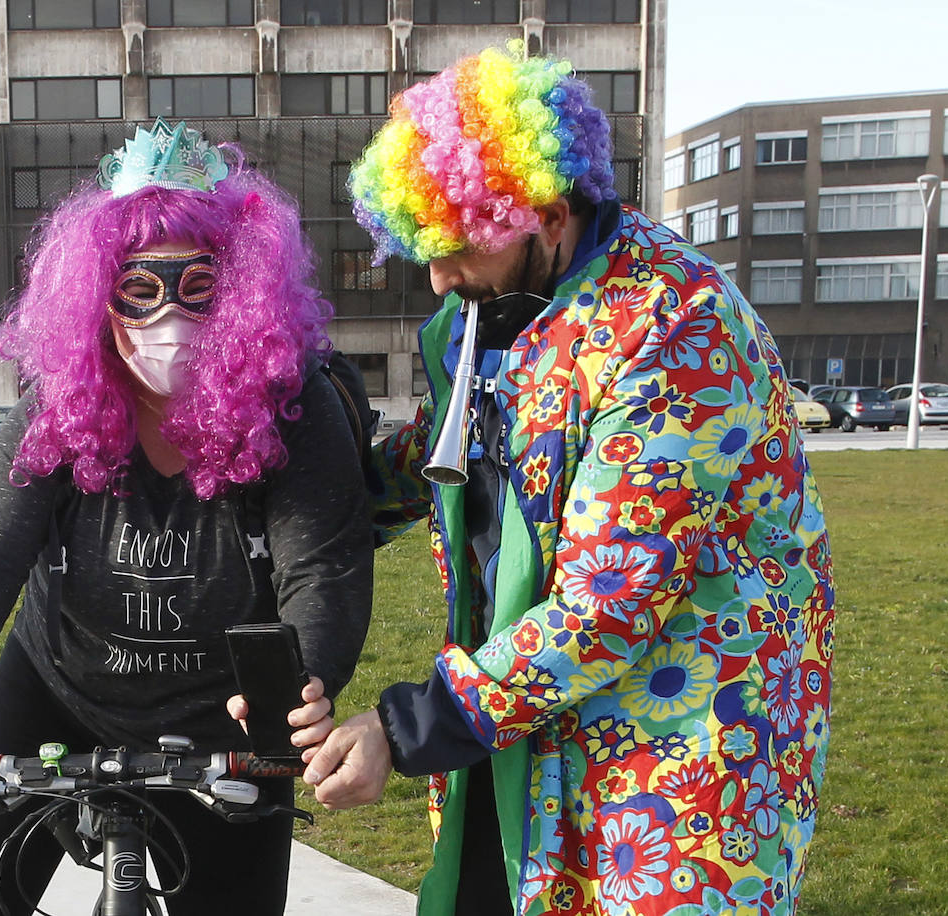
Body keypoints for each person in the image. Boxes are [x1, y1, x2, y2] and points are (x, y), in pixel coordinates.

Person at [303, 45, 835, 916]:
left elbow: (608, 601)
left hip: (684, 758)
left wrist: (404, 730)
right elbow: (461, 457)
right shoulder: (500, 312)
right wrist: (315, 493)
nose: (438, 278)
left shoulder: (676, 329)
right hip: (526, 728)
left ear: (544, 215)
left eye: (456, 247)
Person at [0, 118, 373, 916]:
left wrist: (307, 679)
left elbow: (323, 564)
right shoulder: (56, 408)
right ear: (95, 298)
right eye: (138, 291)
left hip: (230, 718)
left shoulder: (296, 407)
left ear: (243, 293)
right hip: (58, 690)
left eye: (198, 288)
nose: (166, 319)